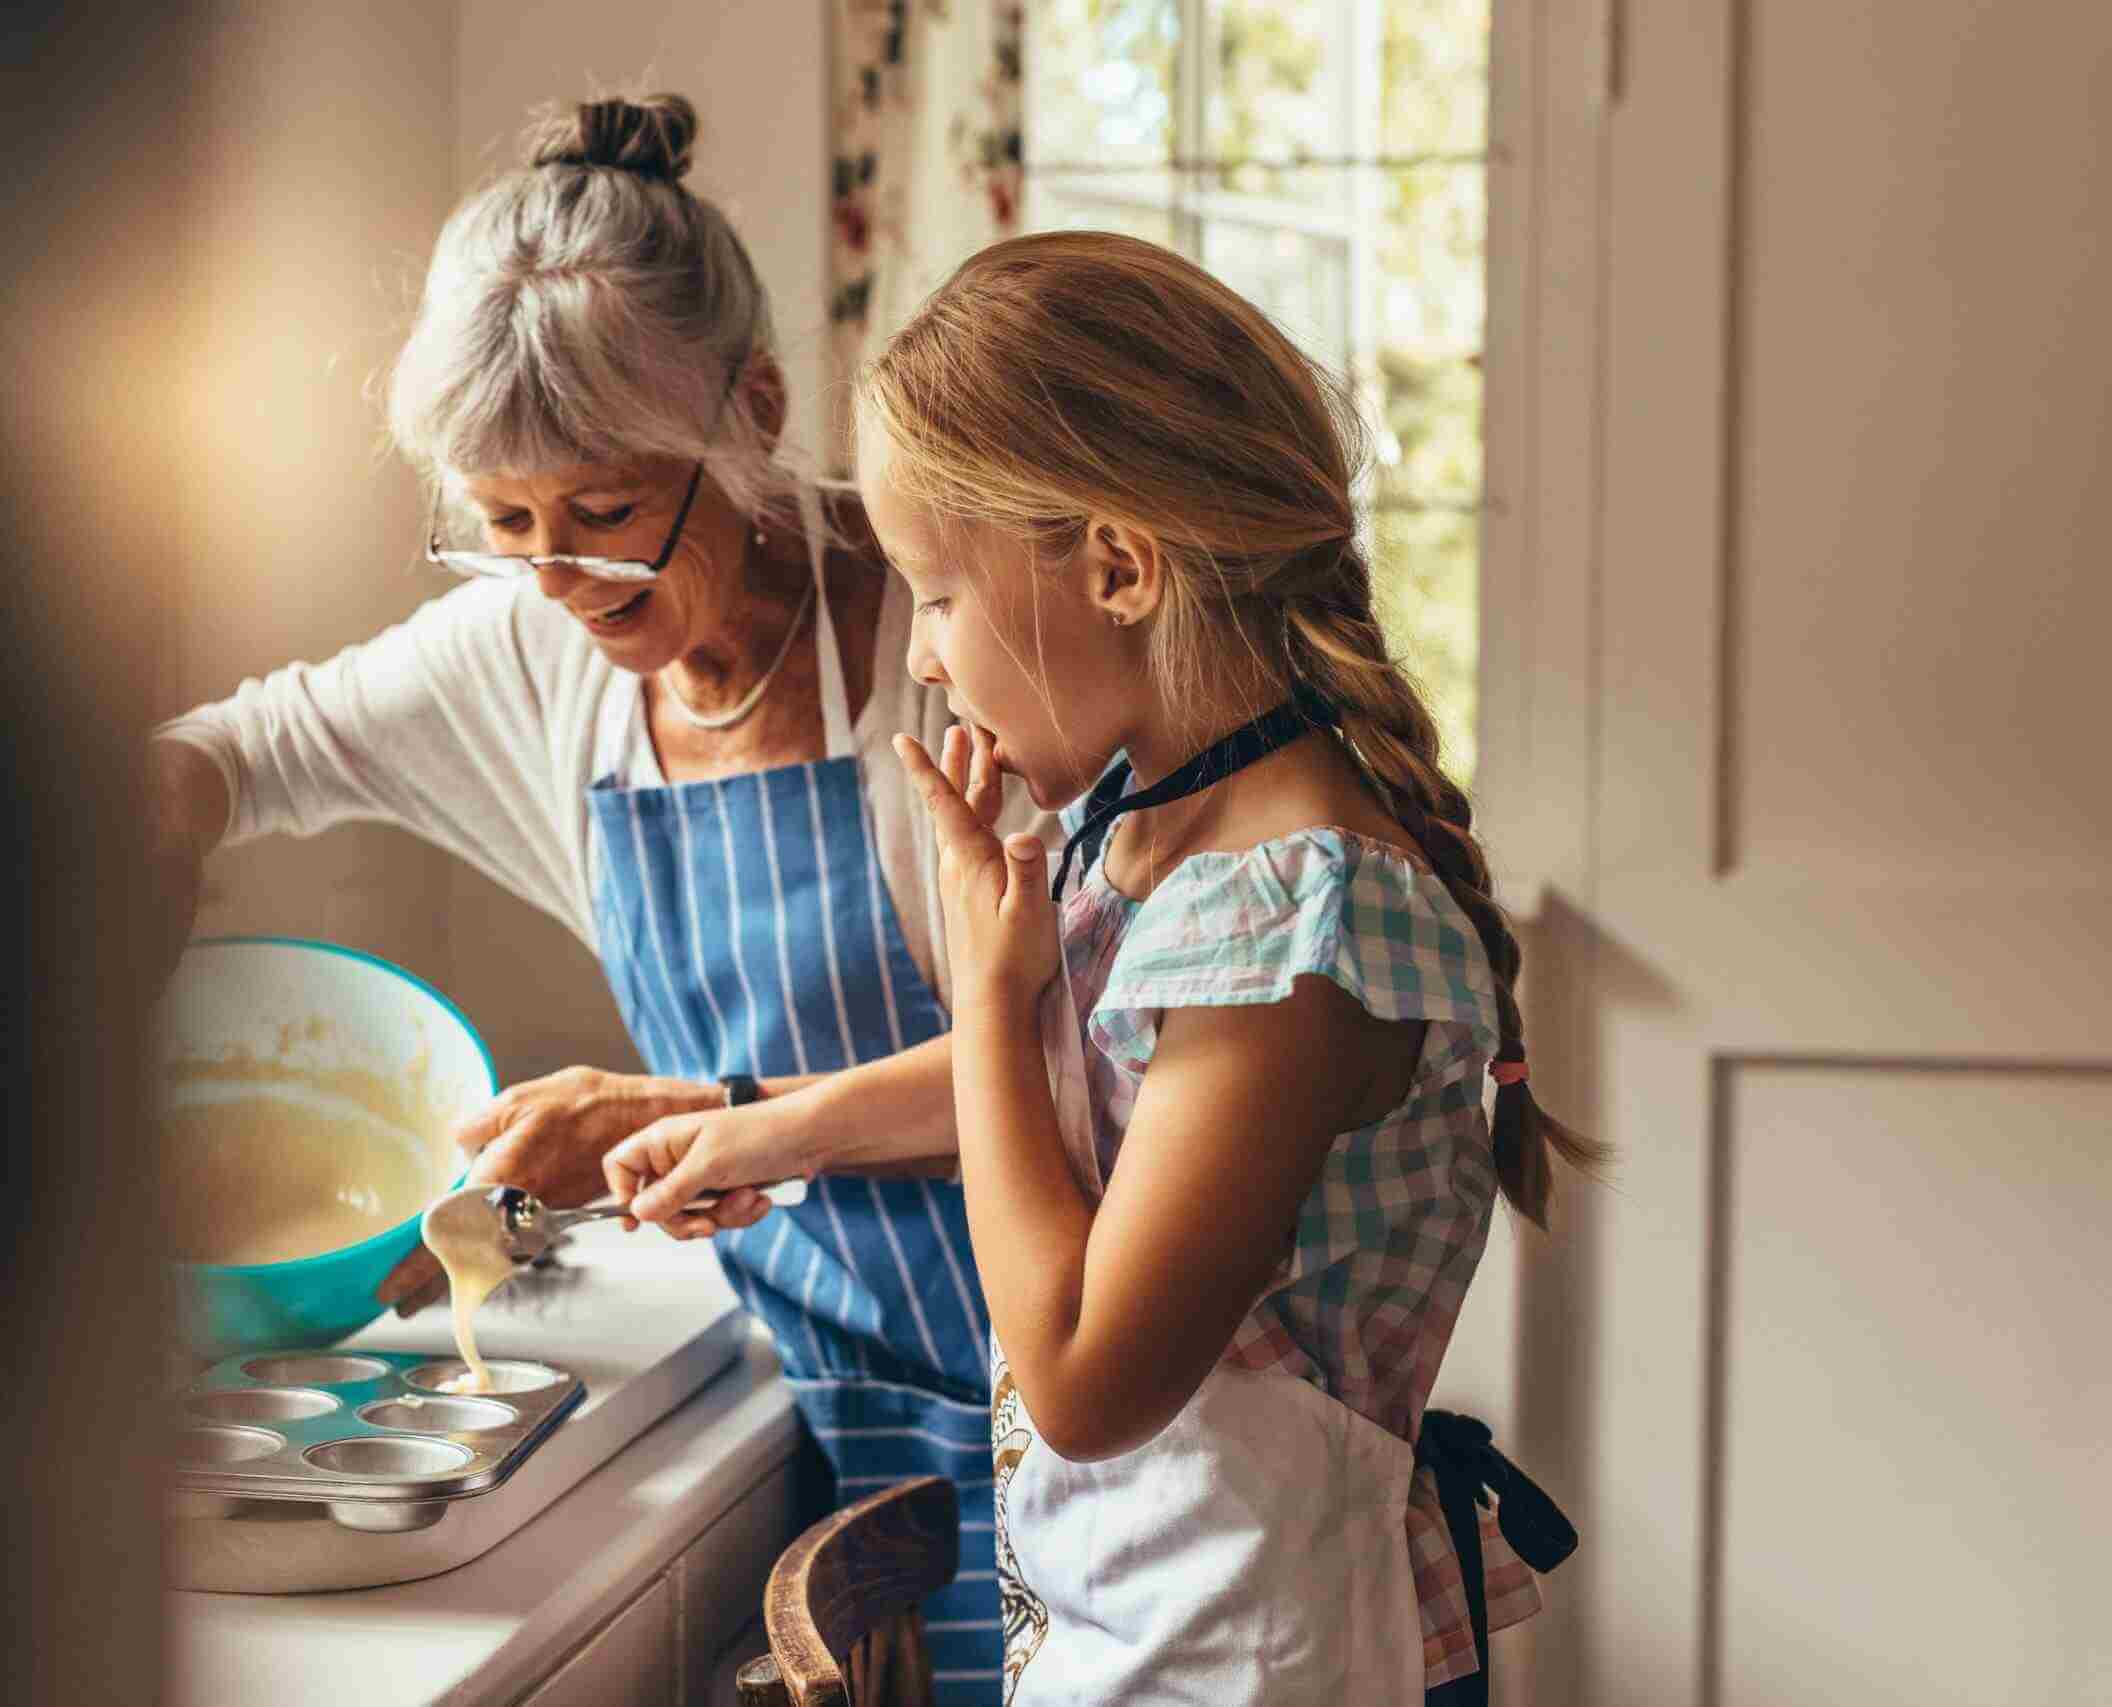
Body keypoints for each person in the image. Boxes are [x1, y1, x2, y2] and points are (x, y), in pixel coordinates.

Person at [611, 230, 1591, 1704]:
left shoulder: (1293, 925)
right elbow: (1112, 1074)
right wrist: (764, 1128)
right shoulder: (1155, 828)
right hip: (1143, 1633)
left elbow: (1080, 1382)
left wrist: (991, 986)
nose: (928, 656)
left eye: (937, 594)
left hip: (1249, 1664)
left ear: (1121, 567)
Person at [147, 95, 1027, 1699]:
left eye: (608, 515)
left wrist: (711, 1111)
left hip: (1077, 1380)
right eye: (503, 525)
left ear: (750, 415)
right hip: (846, 1402)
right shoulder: (538, 650)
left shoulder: (943, 643)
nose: (561, 582)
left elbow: (1087, 1063)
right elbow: (237, 752)